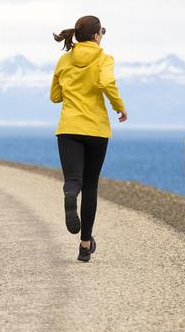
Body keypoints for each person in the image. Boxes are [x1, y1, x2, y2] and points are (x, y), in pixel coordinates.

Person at [50, 15, 128, 262]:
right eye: (102, 32)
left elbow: (55, 96)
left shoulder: (64, 59)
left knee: (74, 180)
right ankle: (85, 245)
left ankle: (70, 193)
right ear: (96, 36)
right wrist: (119, 107)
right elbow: (107, 83)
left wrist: (73, 89)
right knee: (91, 185)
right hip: (96, 130)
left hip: (68, 128)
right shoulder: (104, 59)